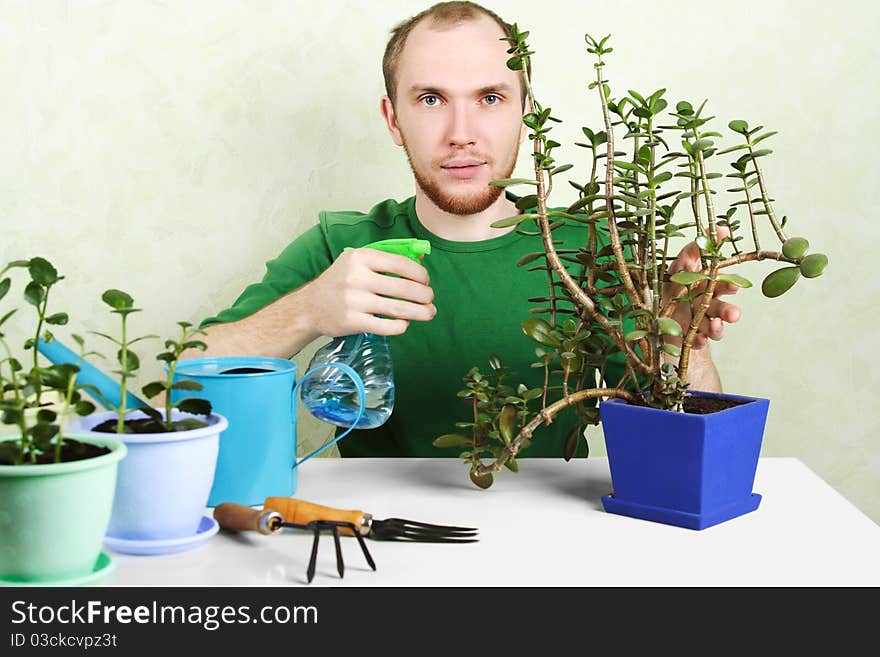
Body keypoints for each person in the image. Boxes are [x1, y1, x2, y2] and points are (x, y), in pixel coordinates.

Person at [187, 1, 741, 457]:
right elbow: (180, 379)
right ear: (392, 120)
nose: (462, 133)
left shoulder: (597, 250)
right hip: (383, 540)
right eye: (431, 100)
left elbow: (687, 451)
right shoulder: (344, 247)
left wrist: (679, 337)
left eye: (490, 98)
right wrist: (307, 310)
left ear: (525, 111)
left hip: (562, 534)